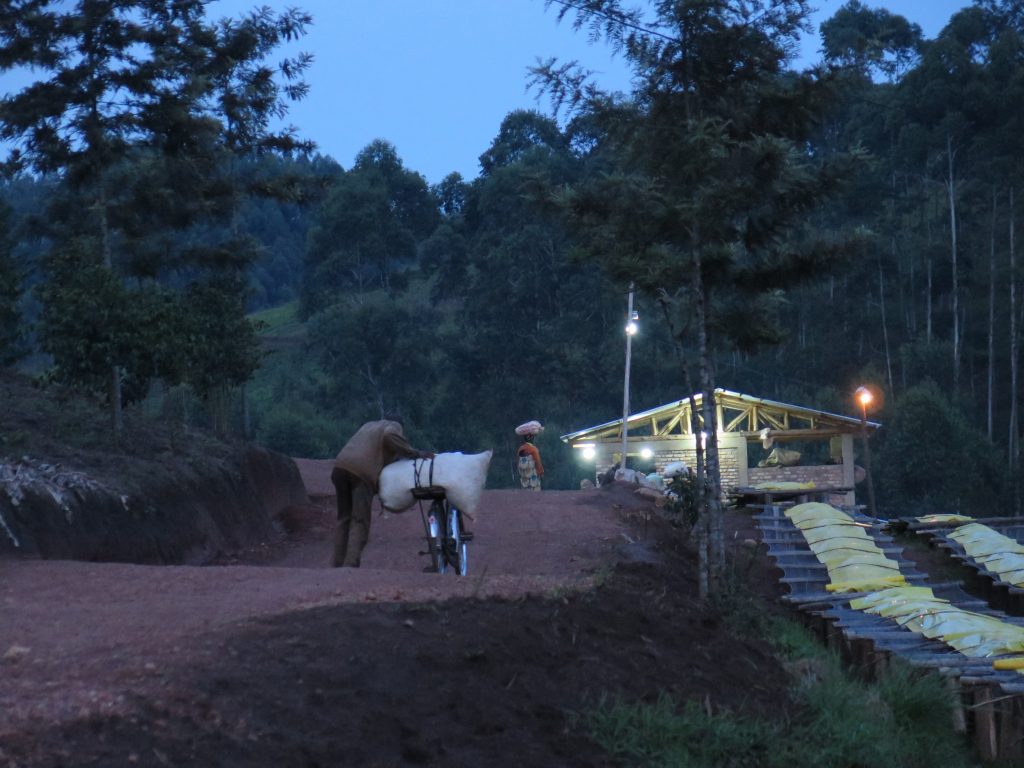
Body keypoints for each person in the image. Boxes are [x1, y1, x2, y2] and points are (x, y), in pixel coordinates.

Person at [331, 417, 433, 567]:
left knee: (344, 518)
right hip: (361, 474)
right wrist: (414, 453)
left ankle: (337, 563)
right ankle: (350, 565)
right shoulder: (393, 426)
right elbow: (389, 436)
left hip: (340, 467)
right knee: (359, 519)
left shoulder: (368, 425)